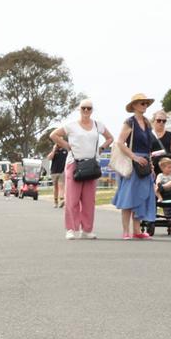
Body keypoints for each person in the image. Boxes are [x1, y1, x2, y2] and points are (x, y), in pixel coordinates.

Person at [50, 99, 113, 239]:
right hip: (75, 163)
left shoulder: (98, 125)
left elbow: (110, 138)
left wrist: (101, 148)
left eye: (89, 108)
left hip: (92, 164)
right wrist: (66, 145)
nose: (86, 111)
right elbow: (53, 134)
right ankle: (71, 228)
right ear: (79, 109)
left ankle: (87, 229)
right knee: (72, 198)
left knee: (89, 200)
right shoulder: (71, 125)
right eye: (83, 108)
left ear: (92, 110)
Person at [112, 93, 158, 240]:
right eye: (141, 103)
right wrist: (134, 157)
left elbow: (149, 147)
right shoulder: (129, 122)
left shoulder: (147, 123)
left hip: (145, 163)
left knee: (142, 197)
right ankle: (126, 231)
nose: (144, 105)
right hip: (133, 164)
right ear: (134, 106)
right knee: (128, 197)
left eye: (146, 103)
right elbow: (120, 142)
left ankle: (137, 230)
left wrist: (151, 166)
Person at [148, 109, 171, 183]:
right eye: (159, 120)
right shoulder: (147, 136)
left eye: (164, 121)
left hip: (168, 163)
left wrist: (166, 157)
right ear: (153, 121)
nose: (161, 122)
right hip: (153, 164)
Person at [46, 142, 67, 208]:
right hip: (54, 171)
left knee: (61, 185)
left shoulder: (65, 151)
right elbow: (49, 158)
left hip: (62, 171)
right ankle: (55, 202)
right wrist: (54, 150)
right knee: (55, 187)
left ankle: (62, 200)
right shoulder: (54, 151)